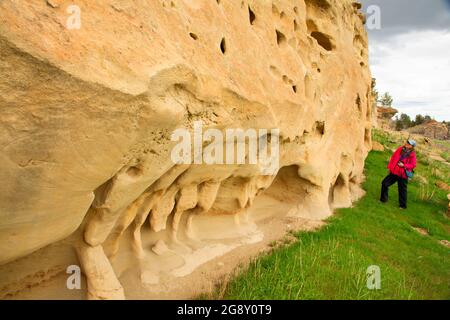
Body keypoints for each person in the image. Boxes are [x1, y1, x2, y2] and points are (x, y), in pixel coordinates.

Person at [380, 139, 417, 209]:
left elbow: (413, 165)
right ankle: (383, 200)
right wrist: (390, 168)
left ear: (412, 147)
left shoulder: (412, 155)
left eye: (409, 144)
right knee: (384, 183)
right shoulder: (400, 149)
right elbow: (393, 158)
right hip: (394, 172)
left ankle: (402, 206)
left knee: (402, 190)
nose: (407, 144)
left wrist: (404, 165)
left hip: (403, 175)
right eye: (407, 142)